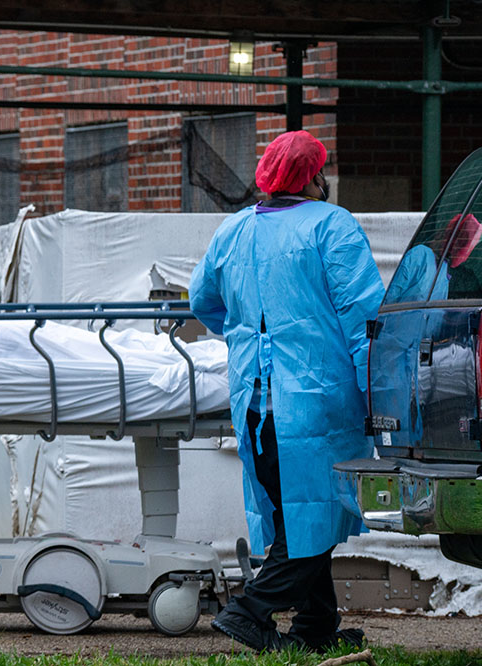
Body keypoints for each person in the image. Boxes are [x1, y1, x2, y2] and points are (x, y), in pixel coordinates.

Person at [189, 131, 384, 653]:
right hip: (317, 403)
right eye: (323, 172)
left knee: (298, 512)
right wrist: (378, 395)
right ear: (313, 178)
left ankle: (314, 627)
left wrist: (248, 332)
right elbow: (365, 320)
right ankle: (248, 611)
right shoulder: (332, 227)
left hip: (254, 402)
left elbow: (202, 301)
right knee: (313, 515)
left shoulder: (232, 232)